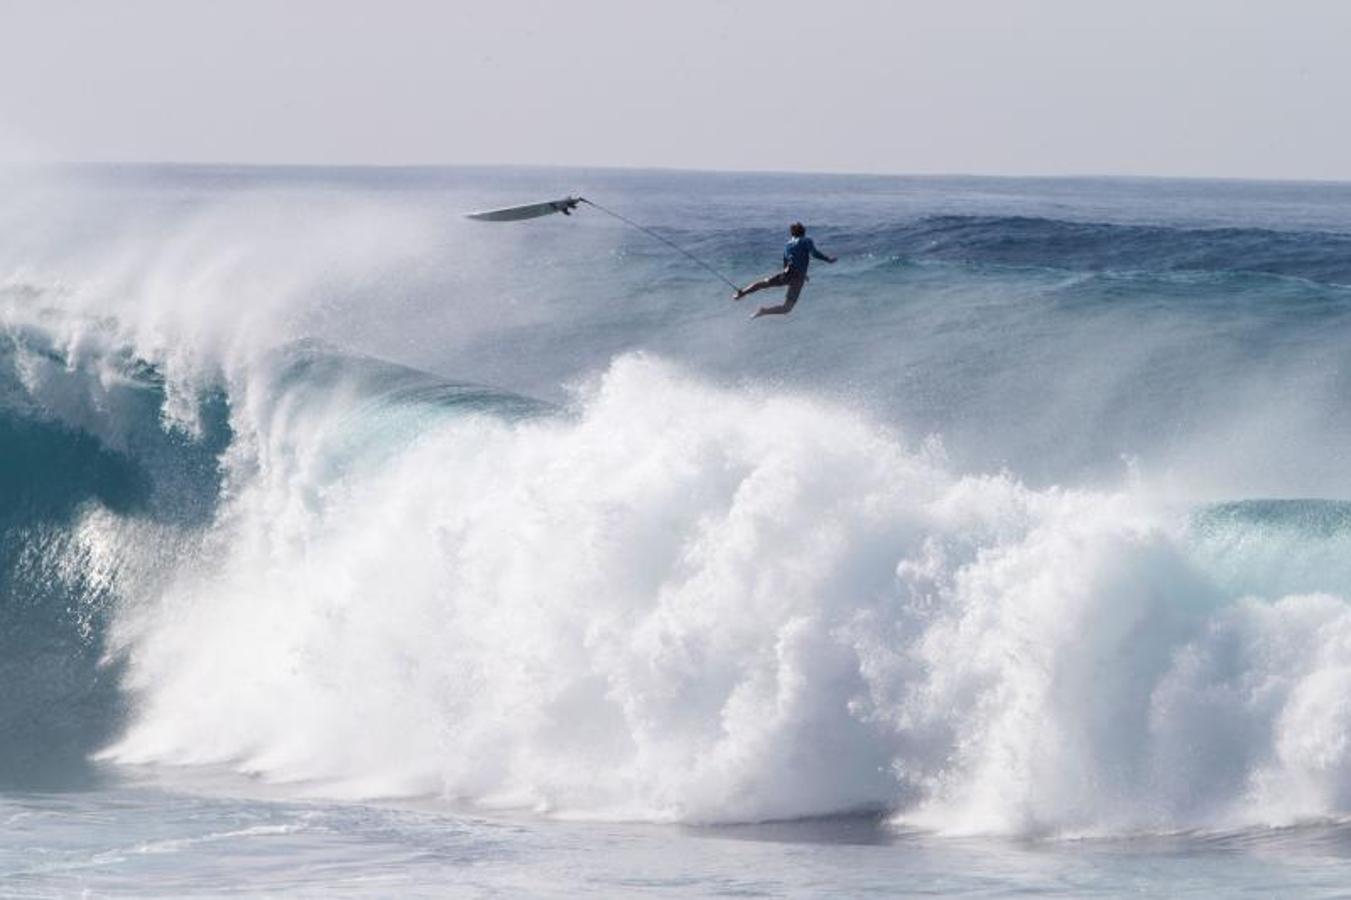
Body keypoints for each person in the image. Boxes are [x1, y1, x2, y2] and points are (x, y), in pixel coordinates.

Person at [733, 222, 837, 319]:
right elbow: (814, 254)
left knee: (764, 283)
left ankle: (742, 292)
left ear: (792, 233)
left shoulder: (787, 245)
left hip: (787, 274)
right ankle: (764, 311)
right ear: (804, 232)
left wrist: (800, 274)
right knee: (786, 308)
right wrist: (828, 259)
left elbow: (786, 264)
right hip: (797, 278)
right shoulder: (806, 240)